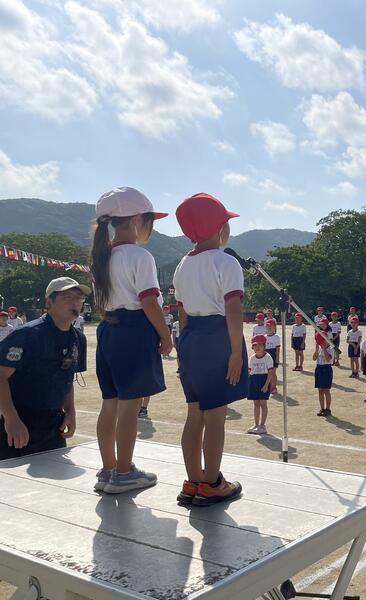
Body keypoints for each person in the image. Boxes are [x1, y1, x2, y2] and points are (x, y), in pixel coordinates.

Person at [91, 187, 171, 495]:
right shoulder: (139, 256)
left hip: (108, 329)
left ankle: (108, 469)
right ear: (137, 219)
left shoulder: (102, 256)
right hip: (134, 329)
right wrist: (165, 335)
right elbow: (149, 301)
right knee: (130, 405)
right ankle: (124, 473)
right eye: (150, 220)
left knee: (110, 403)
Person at [172, 192, 247, 506]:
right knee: (216, 416)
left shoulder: (182, 264)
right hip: (218, 336)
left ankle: (193, 482)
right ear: (220, 228)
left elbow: (182, 313)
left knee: (194, 414)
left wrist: (184, 350)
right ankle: (213, 483)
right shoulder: (226, 262)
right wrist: (235, 352)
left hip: (190, 338)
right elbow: (233, 309)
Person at [0, 277, 88, 460]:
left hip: (54, 424)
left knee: (54, 476)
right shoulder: (28, 335)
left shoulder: (78, 339)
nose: (75, 302)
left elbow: (67, 378)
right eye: (68, 297)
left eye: (79, 298)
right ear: (49, 302)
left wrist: (70, 412)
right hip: (20, 422)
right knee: (11, 476)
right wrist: (11, 417)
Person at [247, 334, 275, 435]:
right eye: (255, 345)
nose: (257, 347)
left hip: (263, 381)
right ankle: (256, 424)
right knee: (256, 404)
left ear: (264, 345)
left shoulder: (268, 357)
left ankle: (262, 425)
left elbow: (270, 373)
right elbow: (249, 371)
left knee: (263, 404)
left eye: (260, 344)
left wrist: (266, 385)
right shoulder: (252, 358)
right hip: (254, 381)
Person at [313, 330, 335, 416]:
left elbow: (328, 359)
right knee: (320, 390)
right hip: (319, 368)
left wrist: (324, 349)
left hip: (327, 368)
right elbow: (314, 358)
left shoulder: (331, 348)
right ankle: (322, 408)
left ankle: (328, 409)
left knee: (326, 390)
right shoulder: (318, 348)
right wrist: (316, 350)